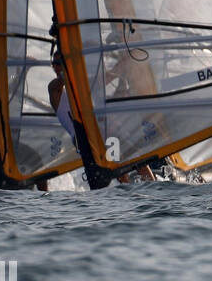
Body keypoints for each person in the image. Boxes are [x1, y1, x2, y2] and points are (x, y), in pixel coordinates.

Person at [49, 53, 154, 188]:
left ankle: (153, 187)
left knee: (137, 159)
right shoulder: (54, 89)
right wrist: (72, 65)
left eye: (59, 63)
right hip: (84, 138)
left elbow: (107, 77)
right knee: (117, 165)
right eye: (54, 64)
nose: (56, 66)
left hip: (104, 132)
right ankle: (128, 190)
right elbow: (63, 81)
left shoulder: (84, 85)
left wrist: (125, 61)